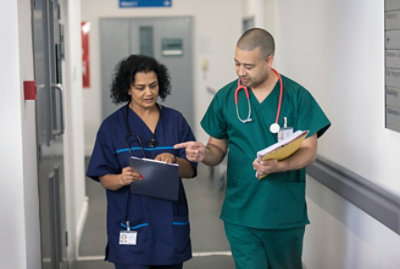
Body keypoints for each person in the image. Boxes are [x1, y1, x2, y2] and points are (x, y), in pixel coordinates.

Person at [175, 28, 331, 269]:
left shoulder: (297, 96)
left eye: (248, 66)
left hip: (284, 214)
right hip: (241, 212)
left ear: (269, 61)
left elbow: (309, 150)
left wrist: (280, 165)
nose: (240, 72)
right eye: (237, 64)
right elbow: (216, 150)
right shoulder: (226, 97)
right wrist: (204, 154)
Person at [86, 54, 197, 269]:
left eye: (153, 86)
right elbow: (104, 178)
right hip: (131, 222)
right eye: (140, 87)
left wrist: (174, 161)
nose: (148, 93)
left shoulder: (175, 121)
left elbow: (191, 170)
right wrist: (120, 178)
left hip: (168, 225)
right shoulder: (111, 127)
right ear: (128, 89)